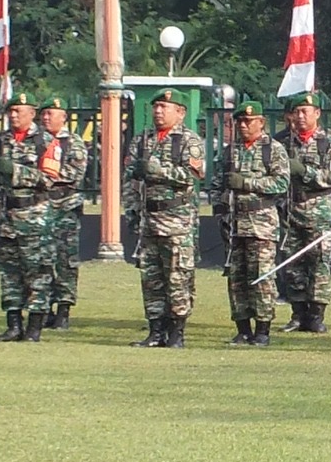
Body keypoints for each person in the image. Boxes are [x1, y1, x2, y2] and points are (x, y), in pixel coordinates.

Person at [124, 88, 204, 348]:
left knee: (178, 276)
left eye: (165, 107)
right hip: (150, 219)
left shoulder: (189, 141)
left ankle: (177, 332)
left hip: (177, 220)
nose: (158, 111)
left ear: (180, 113)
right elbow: (131, 176)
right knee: (151, 277)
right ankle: (155, 330)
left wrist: (158, 170)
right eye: (156, 106)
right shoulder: (142, 140)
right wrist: (132, 208)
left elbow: (191, 176)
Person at [217, 98, 291, 346]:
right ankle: (242, 327)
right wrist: (220, 210)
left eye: (249, 121)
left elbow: (281, 184)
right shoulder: (231, 150)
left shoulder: (273, 149)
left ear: (261, 122)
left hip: (261, 223)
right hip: (235, 223)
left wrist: (248, 183)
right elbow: (219, 183)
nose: (244, 126)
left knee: (261, 277)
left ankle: (262, 329)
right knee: (236, 278)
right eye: (240, 121)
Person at [0, 94, 54, 341]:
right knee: (9, 271)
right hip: (7, 215)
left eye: (18, 111)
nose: (13, 115)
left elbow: (51, 178)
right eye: (10, 111)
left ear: (32, 113)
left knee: (37, 271)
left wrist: (15, 172)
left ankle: (34, 328)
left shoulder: (45, 141)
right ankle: (13, 325)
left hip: (34, 215)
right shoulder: (0, 141)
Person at [277, 91, 331, 334]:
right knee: (293, 262)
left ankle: (316, 315)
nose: (300, 116)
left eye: (305, 111)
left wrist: (303, 171)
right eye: (296, 112)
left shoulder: (329, 142)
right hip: (291, 210)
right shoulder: (283, 143)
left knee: (319, 262)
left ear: (317, 113)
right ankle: (297, 313)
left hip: (319, 210)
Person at [33, 95, 92, 330]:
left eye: (51, 114)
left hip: (64, 209)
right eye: (44, 114)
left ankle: (64, 309)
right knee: (41, 260)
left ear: (63, 117)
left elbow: (73, 174)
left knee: (65, 260)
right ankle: (43, 306)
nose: (46, 118)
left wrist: (43, 176)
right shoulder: (36, 141)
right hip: (39, 209)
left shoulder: (73, 143)